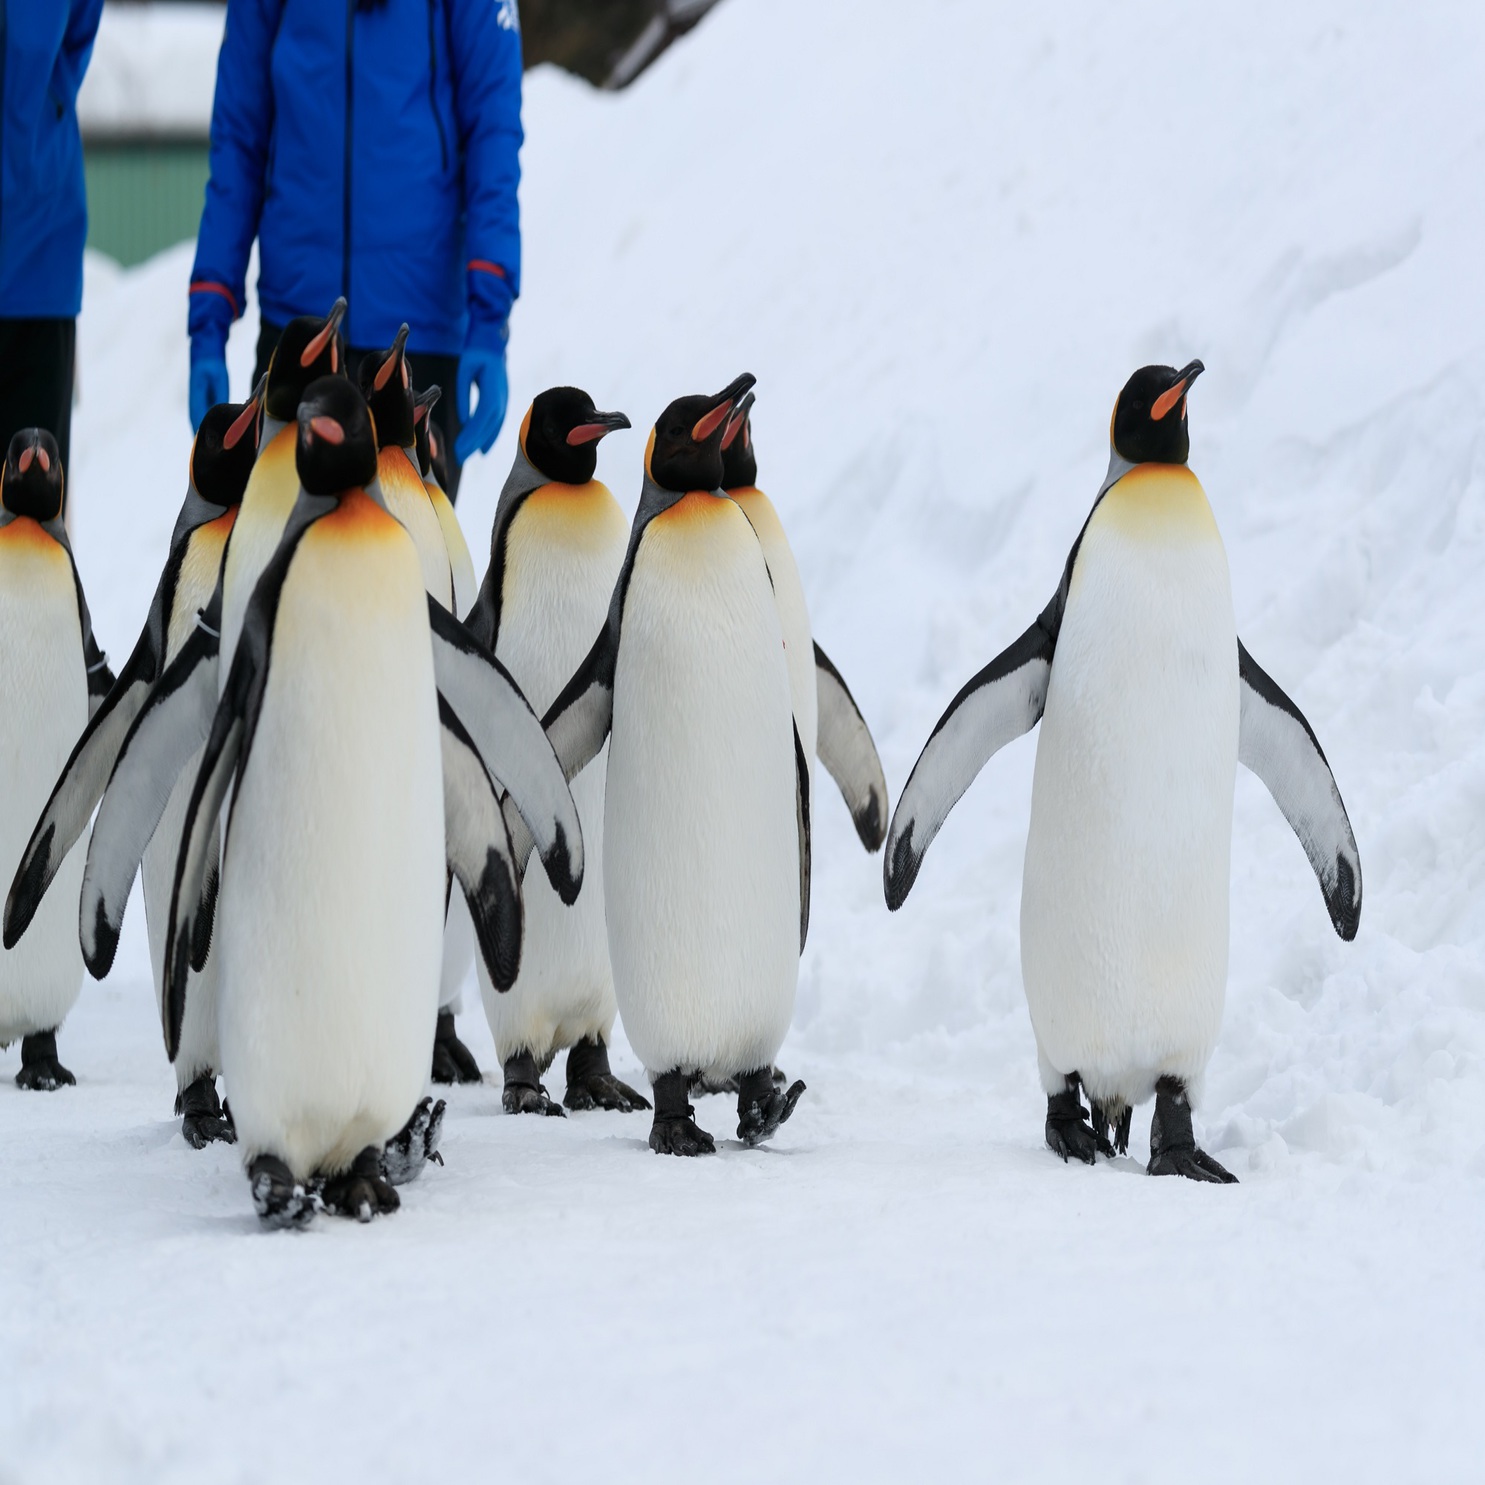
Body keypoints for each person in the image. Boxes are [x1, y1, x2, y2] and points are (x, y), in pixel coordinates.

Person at [187, 0, 523, 498]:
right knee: (284, 570)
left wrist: (489, 323)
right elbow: (239, 133)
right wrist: (208, 323)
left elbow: (493, 128)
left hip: (417, 340)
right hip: (299, 340)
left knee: (415, 574)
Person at [0, 0, 106, 476]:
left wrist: (47, 104)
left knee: (31, 529)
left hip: (41, 253)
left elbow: (77, 30)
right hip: (44, 238)